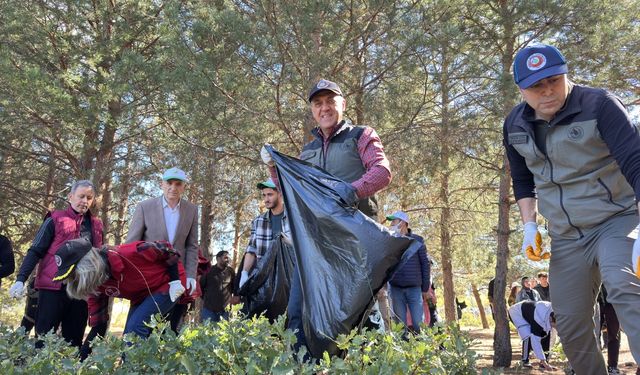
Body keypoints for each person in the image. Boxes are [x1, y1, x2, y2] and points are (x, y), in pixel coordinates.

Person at [504, 43, 640, 374]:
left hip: (616, 220)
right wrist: (529, 226)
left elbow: (635, 162)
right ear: (521, 89)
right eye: (536, 86)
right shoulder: (514, 125)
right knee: (568, 320)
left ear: (566, 75)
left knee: (624, 284)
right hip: (566, 236)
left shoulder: (600, 104)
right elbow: (523, 181)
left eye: (554, 80)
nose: (547, 91)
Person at [261, 79, 392, 354]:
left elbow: (382, 172)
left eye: (330, 101)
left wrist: (352, 191)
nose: (325, 108)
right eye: (318, 103)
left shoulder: (361, 135)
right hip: (315, 246)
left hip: (353, 245)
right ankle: (303, 367)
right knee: (298, 313)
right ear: (312, 110)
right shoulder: (307, 151)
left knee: (360, 318)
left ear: (342, 104)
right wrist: (274, 167)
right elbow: (290, 188)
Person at [51, 238, 185, 357]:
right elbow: (99, 325)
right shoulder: (97, 287)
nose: (73, 282)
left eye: (74, 276)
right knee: (129, 336)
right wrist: (82, 358)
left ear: (86, 265)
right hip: (142, 295)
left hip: (167, 284)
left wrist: (175, 281)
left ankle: (134, 369)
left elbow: (168, 249)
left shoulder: (129, 254)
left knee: (135, 329)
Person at [9, 180, 103, 349]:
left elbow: (99, 257)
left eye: (89, 197)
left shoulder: (96, 225)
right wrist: (20, 279)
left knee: (73, 343)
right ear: (70, 196)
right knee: (44, 341)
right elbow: (35, 250)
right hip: (52, 289)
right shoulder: (55, 219)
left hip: (80, 291)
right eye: (81, 196)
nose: (85, 201)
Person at [126, 167, 199, 332]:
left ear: (184, 187)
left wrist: (191, 275)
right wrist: (130, 278)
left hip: (176, 279)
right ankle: (128, 358)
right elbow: (131, 244)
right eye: (169, 183)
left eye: (178, 184)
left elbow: (192, 245)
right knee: (137, 326)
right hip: (147, 278)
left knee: (166, 330)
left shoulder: (192, 210)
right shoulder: (145, 207)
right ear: (162, 184)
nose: (173, 187)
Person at [238, 179, 289, 289]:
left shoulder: (293, 218)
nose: (266, 199)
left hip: (290, 275)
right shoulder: (258, 221)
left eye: (270, 195)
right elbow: (251, 250)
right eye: (264, 195)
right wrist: (244, 273)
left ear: (280, 194)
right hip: (266, 279)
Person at [385, 210, 430, 334]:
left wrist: (425, 288)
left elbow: (425, 265)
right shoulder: (391, 241)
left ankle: (422, 350)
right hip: (396, 289)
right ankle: (403, 352)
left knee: (418, 323)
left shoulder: (418, 240)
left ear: (403, 223)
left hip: (414, 289)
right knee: (400, 325)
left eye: (394, 221)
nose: (391, 224)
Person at [508, 300, 557, 371]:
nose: (555, 327)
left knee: (546, 335)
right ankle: (525, 361)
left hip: (531, 313)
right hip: (517, 313)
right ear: (551, 319)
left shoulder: (555, 311)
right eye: (555, 325)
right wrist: (545, 363)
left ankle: (543, 363)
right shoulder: (538, 320)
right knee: (528, 336)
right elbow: (535, 342)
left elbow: (550, 338)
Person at [201, 250, 236, 322]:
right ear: (218, 258)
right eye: (225, 257)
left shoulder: (231, 271)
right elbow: (201, 286)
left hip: (225, 311)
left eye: (229, 258)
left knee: (223, 333)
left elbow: (234, 288)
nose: (228, 260)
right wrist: (207, 299)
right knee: (208, 332)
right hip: (209, 310)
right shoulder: (209, 271)